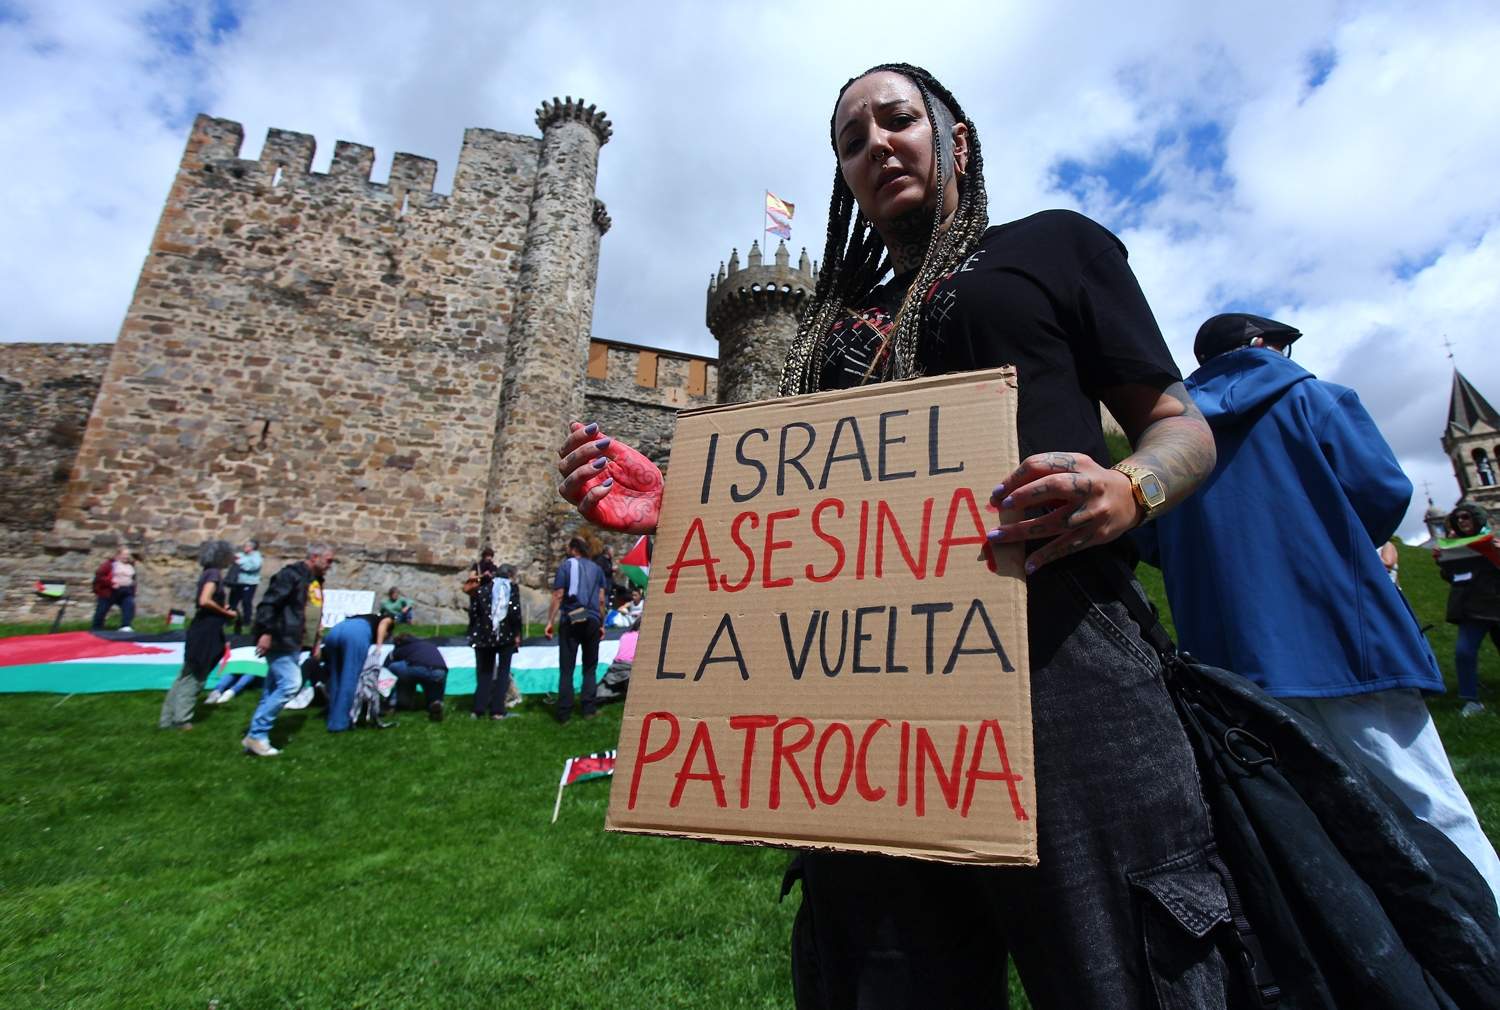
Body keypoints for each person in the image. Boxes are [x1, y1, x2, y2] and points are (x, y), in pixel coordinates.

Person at [556, 64, 1228, 1008]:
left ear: (954, 141)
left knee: (1123, 971)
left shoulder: (1052, 249)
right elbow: (812, 513)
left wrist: (1127, 489)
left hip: (1067, 665)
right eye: (849, 138)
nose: (875, 143)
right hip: (872, 703)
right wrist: (685, 508)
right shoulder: (829, 330)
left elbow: (1182, 427)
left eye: (897, 118)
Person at [1136, 312, 1500, 904]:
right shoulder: (1314, 398)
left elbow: (1148, 540)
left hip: (1230, 660)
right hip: (1340, 633)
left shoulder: (1169, 438)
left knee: (1306, 829)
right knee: (1428, 803)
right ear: (1261, 346)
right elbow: (1383, 494)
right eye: (1281, 345)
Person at [244, 544, 335, 757]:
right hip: (280, 638)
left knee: (272, 689)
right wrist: (265, 632)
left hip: (295, 641)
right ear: (314, 557)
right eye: (328, 561)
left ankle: (256, 735)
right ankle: (257, 735)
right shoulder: (290, 575)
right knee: (291, 684)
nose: (330, 565)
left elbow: (311, 612)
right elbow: (269, 605)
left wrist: (314, 641)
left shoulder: (314, 581)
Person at [158, 539, 238, 730]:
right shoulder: (214, 575)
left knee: (185, 674)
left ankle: (167, 719)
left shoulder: (209, 573)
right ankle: (182, 719)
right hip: (206, 631)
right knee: (195, 675)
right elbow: (204, 600)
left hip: (203, 627)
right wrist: (226, 613)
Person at [1436, 502, 1500, 718]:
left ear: (1477, 518)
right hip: (1472, 608)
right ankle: (1470, 700)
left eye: (1467, 517)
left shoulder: (1493, 540)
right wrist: (1443, 562)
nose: (1462, 521)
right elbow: (1451, 577)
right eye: (1459, 518)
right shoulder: (1453, 545)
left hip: (1496, 604)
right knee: (1464, 652)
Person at [545, 537, 608, 724]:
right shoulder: (597, 569)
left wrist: (550, 621)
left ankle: (564, 712)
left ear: (573, 549)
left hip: (571, 619)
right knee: (589, 668)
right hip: (593, 620)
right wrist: (602, 623)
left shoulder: (566, 566)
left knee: (567, 668)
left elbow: (558, 595)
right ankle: (589, 708)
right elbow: (602, 598)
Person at [465, 557, 522, 720]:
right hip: (506, 635)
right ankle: (497, 710)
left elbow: (474, 612)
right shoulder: (511, 588)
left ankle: (478, 708)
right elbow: (514, 612)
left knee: (485, 672)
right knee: (503, 672)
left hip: (484, 634)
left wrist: (475, 631)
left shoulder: (483, 589)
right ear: (510, 574)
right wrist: (517, 633)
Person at [321, 612, 397, 732]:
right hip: (356, 634)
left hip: (335, 631)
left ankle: (332, 713)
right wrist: (379, 647)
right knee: (350, 678)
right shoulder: (386, 619)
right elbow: (384, 623)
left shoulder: (365, 616)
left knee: (336, 677)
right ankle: (340, 723)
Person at [385, 633, 449, 720]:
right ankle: (436, 702)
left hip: (417, 669)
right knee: (434, 685)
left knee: (394, 667)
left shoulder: (403, 647)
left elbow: (389, 660)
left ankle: (394, 703)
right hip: (440, 671)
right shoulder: (428, 644)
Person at [91, 546, 137, 632]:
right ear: (118, 555)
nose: (126, 556)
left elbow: (133, 578)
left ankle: (126, 626)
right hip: (110, 591)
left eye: (128, 555)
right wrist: (111, 583)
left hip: (126, 591)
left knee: (129, 606)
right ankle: (96, 628)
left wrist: (132, 590)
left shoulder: (131, 565)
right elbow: (99, 576)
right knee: (102, 610)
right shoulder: (110, 564)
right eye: (124, 554)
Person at [226, 539, 262, 633]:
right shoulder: (241, 555)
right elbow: (232, 560)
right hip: (237, 582)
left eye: (247, 546)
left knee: (246, 602)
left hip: (249, 583)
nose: (244, 548)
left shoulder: (256, 557)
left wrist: (241, 563)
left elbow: (254, 566)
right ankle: (229, 620)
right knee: (232, 602)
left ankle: (246, 622)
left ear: (252, 548)